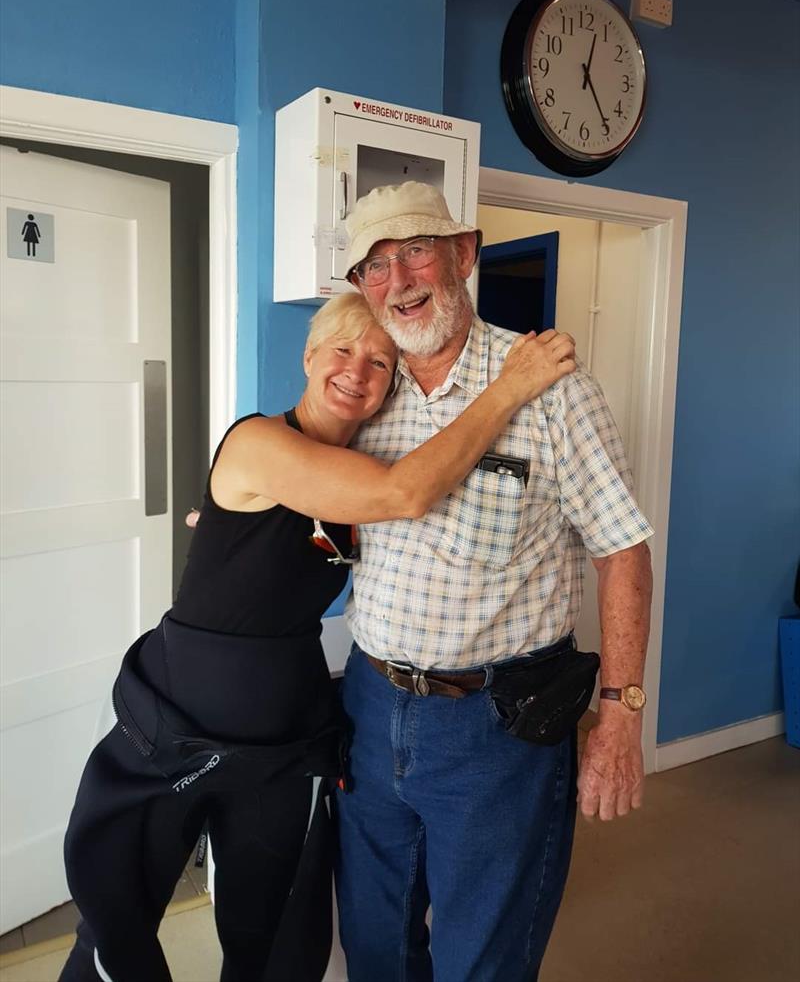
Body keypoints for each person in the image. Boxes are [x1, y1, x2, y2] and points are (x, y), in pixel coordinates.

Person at [59, 291, 576, 982]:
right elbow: (404, 493)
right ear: (308, 356)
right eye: (341, 350)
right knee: (113, 919)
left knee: (273, 936)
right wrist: (511, 386)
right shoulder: (260, 441)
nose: (357, 371)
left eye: (380, 363)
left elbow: (400, 520)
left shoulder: (356, 476)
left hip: (281, 743)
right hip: (175, 722)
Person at [333, 181, 654, 982]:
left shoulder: (554, 393)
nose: (399, 280)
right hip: (369, 710)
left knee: (484, 960)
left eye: (416, 250)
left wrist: (619, 712)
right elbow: (295, 471)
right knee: (376, 948)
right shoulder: (366, 393)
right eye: (375, 265)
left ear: (463, 255)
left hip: (494, 730)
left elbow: (622, 552)